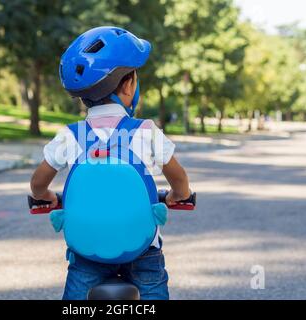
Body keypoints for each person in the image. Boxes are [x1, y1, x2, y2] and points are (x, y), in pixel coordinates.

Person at [30, 26, 190, 300]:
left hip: (87, 251)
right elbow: (180, 180)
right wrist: (179, 196)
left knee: (75, 299)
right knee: (154, 291)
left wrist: (46, 197)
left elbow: (37, 184)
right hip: (143, 252)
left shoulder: (70, 135)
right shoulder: (146, 131)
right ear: (129, 85)